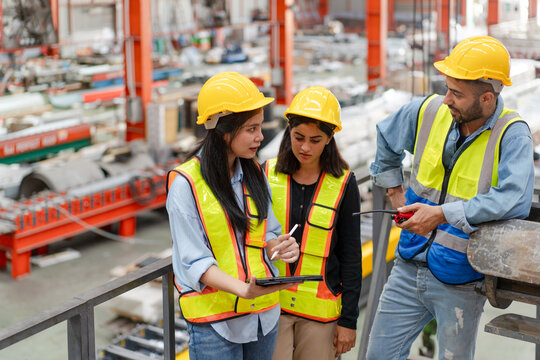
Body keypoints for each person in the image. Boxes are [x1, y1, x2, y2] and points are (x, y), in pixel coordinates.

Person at [366, 35, 534, 359]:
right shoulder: (430, 111)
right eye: (447, 88)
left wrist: (442, 214)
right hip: (407, 264)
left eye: (456, 93)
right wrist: (394, 191)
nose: (446, 100)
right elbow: (386, 136)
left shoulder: (512, 134)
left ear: (486, 99)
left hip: (461, 279)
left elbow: (514, 199)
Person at [166, 72, 301, 360]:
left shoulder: (253, 173)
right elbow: (194, 262)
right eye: (251, 129)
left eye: (260, 126)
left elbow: (268, 233)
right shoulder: (185, 185)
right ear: (224, 130)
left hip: (263, 314)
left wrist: (280, 245)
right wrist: (243, 290)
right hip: (215, 323)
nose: (261, 136)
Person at [264, 86, 363, 360]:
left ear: (330, 138)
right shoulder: (267, 174)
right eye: (298, 137)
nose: (305, 147)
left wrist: (348, 321)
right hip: (272, 307)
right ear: (288, 132)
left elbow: (351, 256)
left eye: (315, 140)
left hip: (320, 314)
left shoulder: (344, 184)